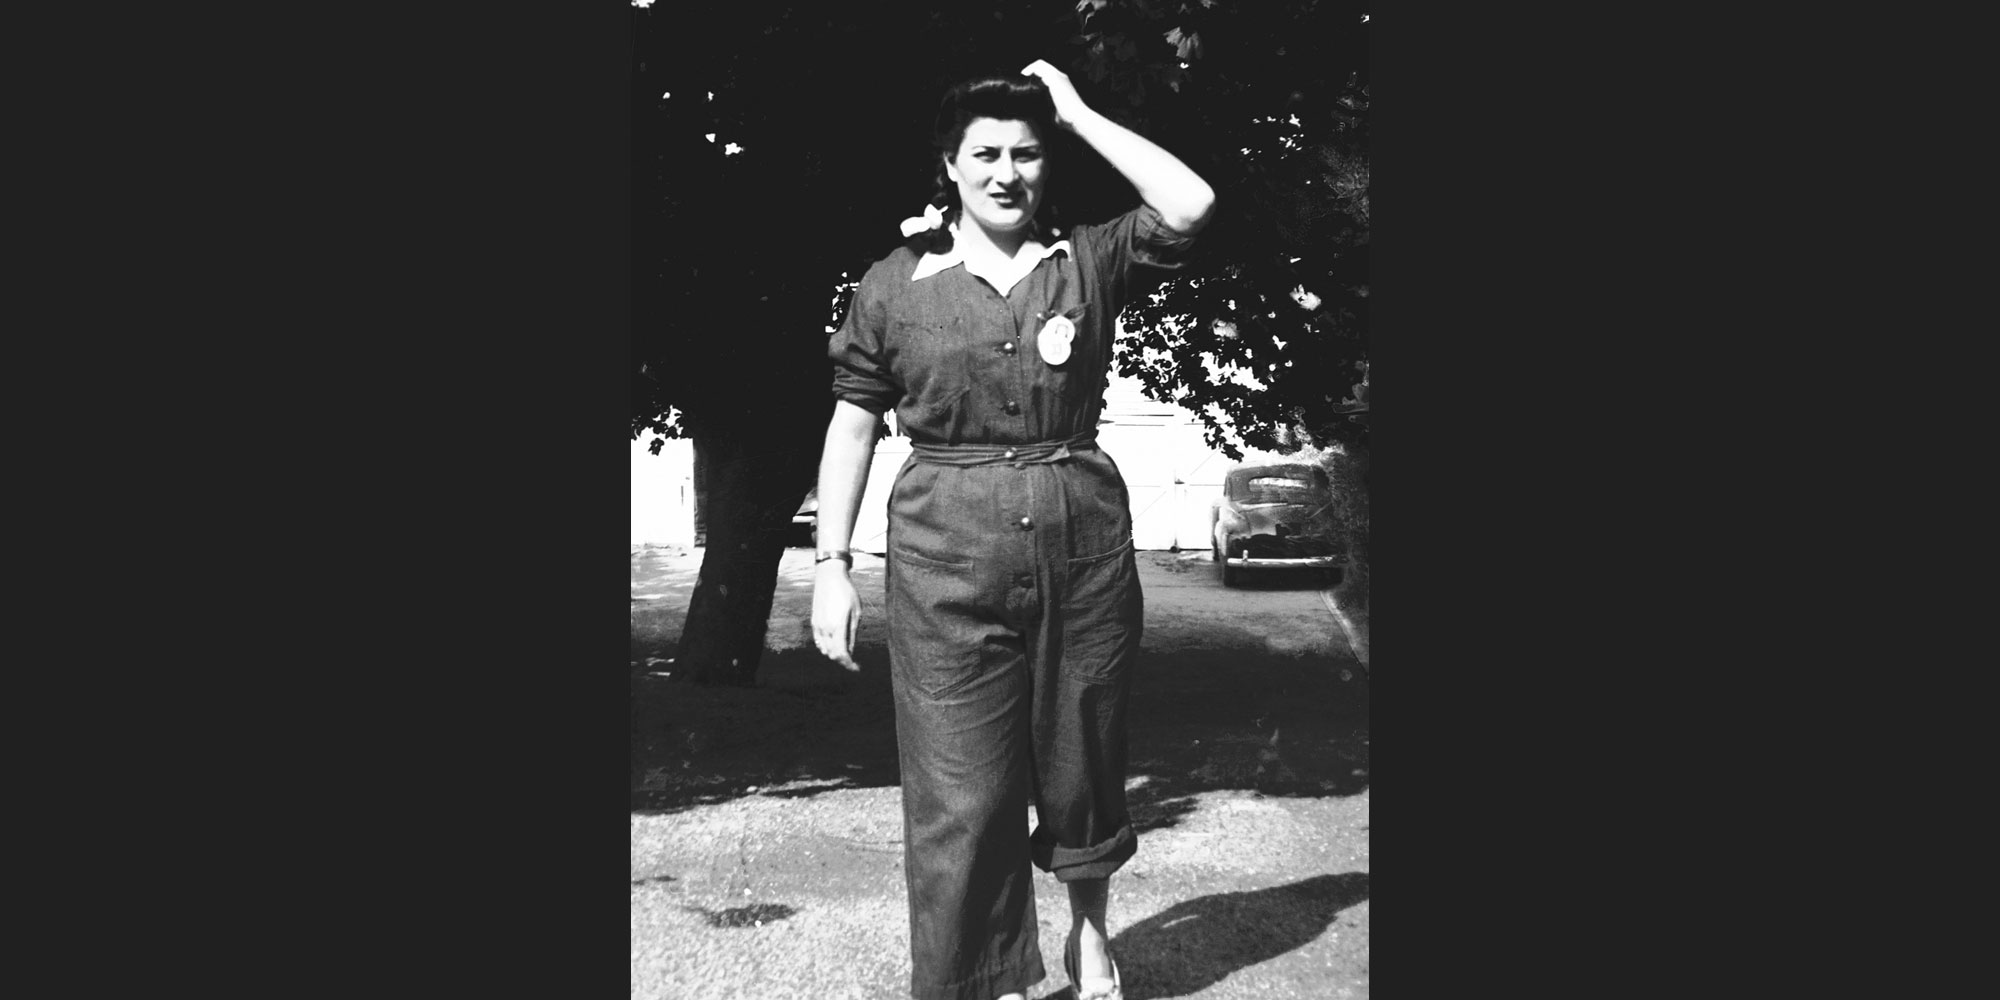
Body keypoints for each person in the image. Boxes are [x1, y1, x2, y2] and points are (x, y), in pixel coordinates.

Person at [811, 59, 1215, 1000]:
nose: (1006, 172)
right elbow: (853, 422)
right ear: (949, 166)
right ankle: (974, 981)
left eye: (1026, 153)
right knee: (960, 793)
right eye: (984, 153)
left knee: (1083, 762)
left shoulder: (1086, 260)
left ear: (1048, 163)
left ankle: (1089, 935)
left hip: (1083, 548)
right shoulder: (896, 283)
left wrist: (1077, 113)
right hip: (943, 560)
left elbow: (1189, 204)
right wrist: (831, 563)